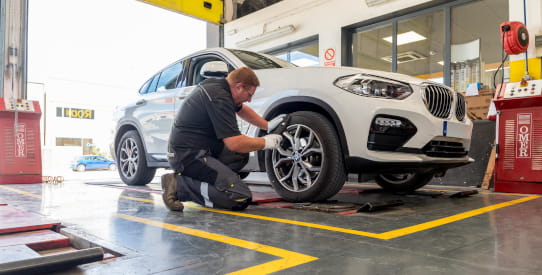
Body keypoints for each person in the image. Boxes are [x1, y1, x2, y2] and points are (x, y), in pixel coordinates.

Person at [161, 66, 286, 211]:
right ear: (239, 87)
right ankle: (179, 185)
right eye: (249, 94)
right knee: (239, 197)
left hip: (198, 150)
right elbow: (235, 143)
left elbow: (242, 109)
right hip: (189, 157)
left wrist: (267, 125)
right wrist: (267, 142)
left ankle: (217, 182)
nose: (250, 100)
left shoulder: (220, 87)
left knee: (240, 156)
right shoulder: (219, 97)